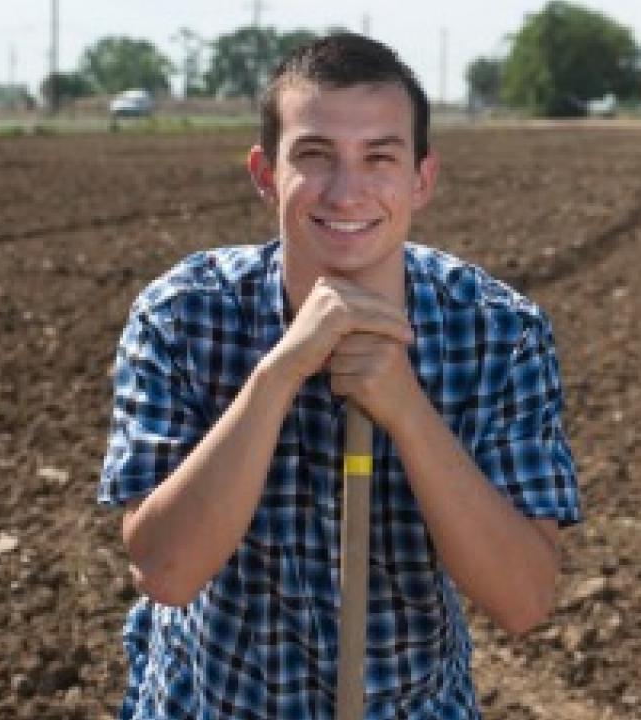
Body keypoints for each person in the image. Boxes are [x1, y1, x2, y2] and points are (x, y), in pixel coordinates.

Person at [98, 33, 581, 720]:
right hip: (210, 702)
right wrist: (280, 373)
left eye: (379, 157)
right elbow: (164, 572)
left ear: (421, 177)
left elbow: (525, 599)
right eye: (315, 156)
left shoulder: (499, 331)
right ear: (266, 174)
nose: (347, 191)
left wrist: (408, 413)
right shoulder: (183, 315)